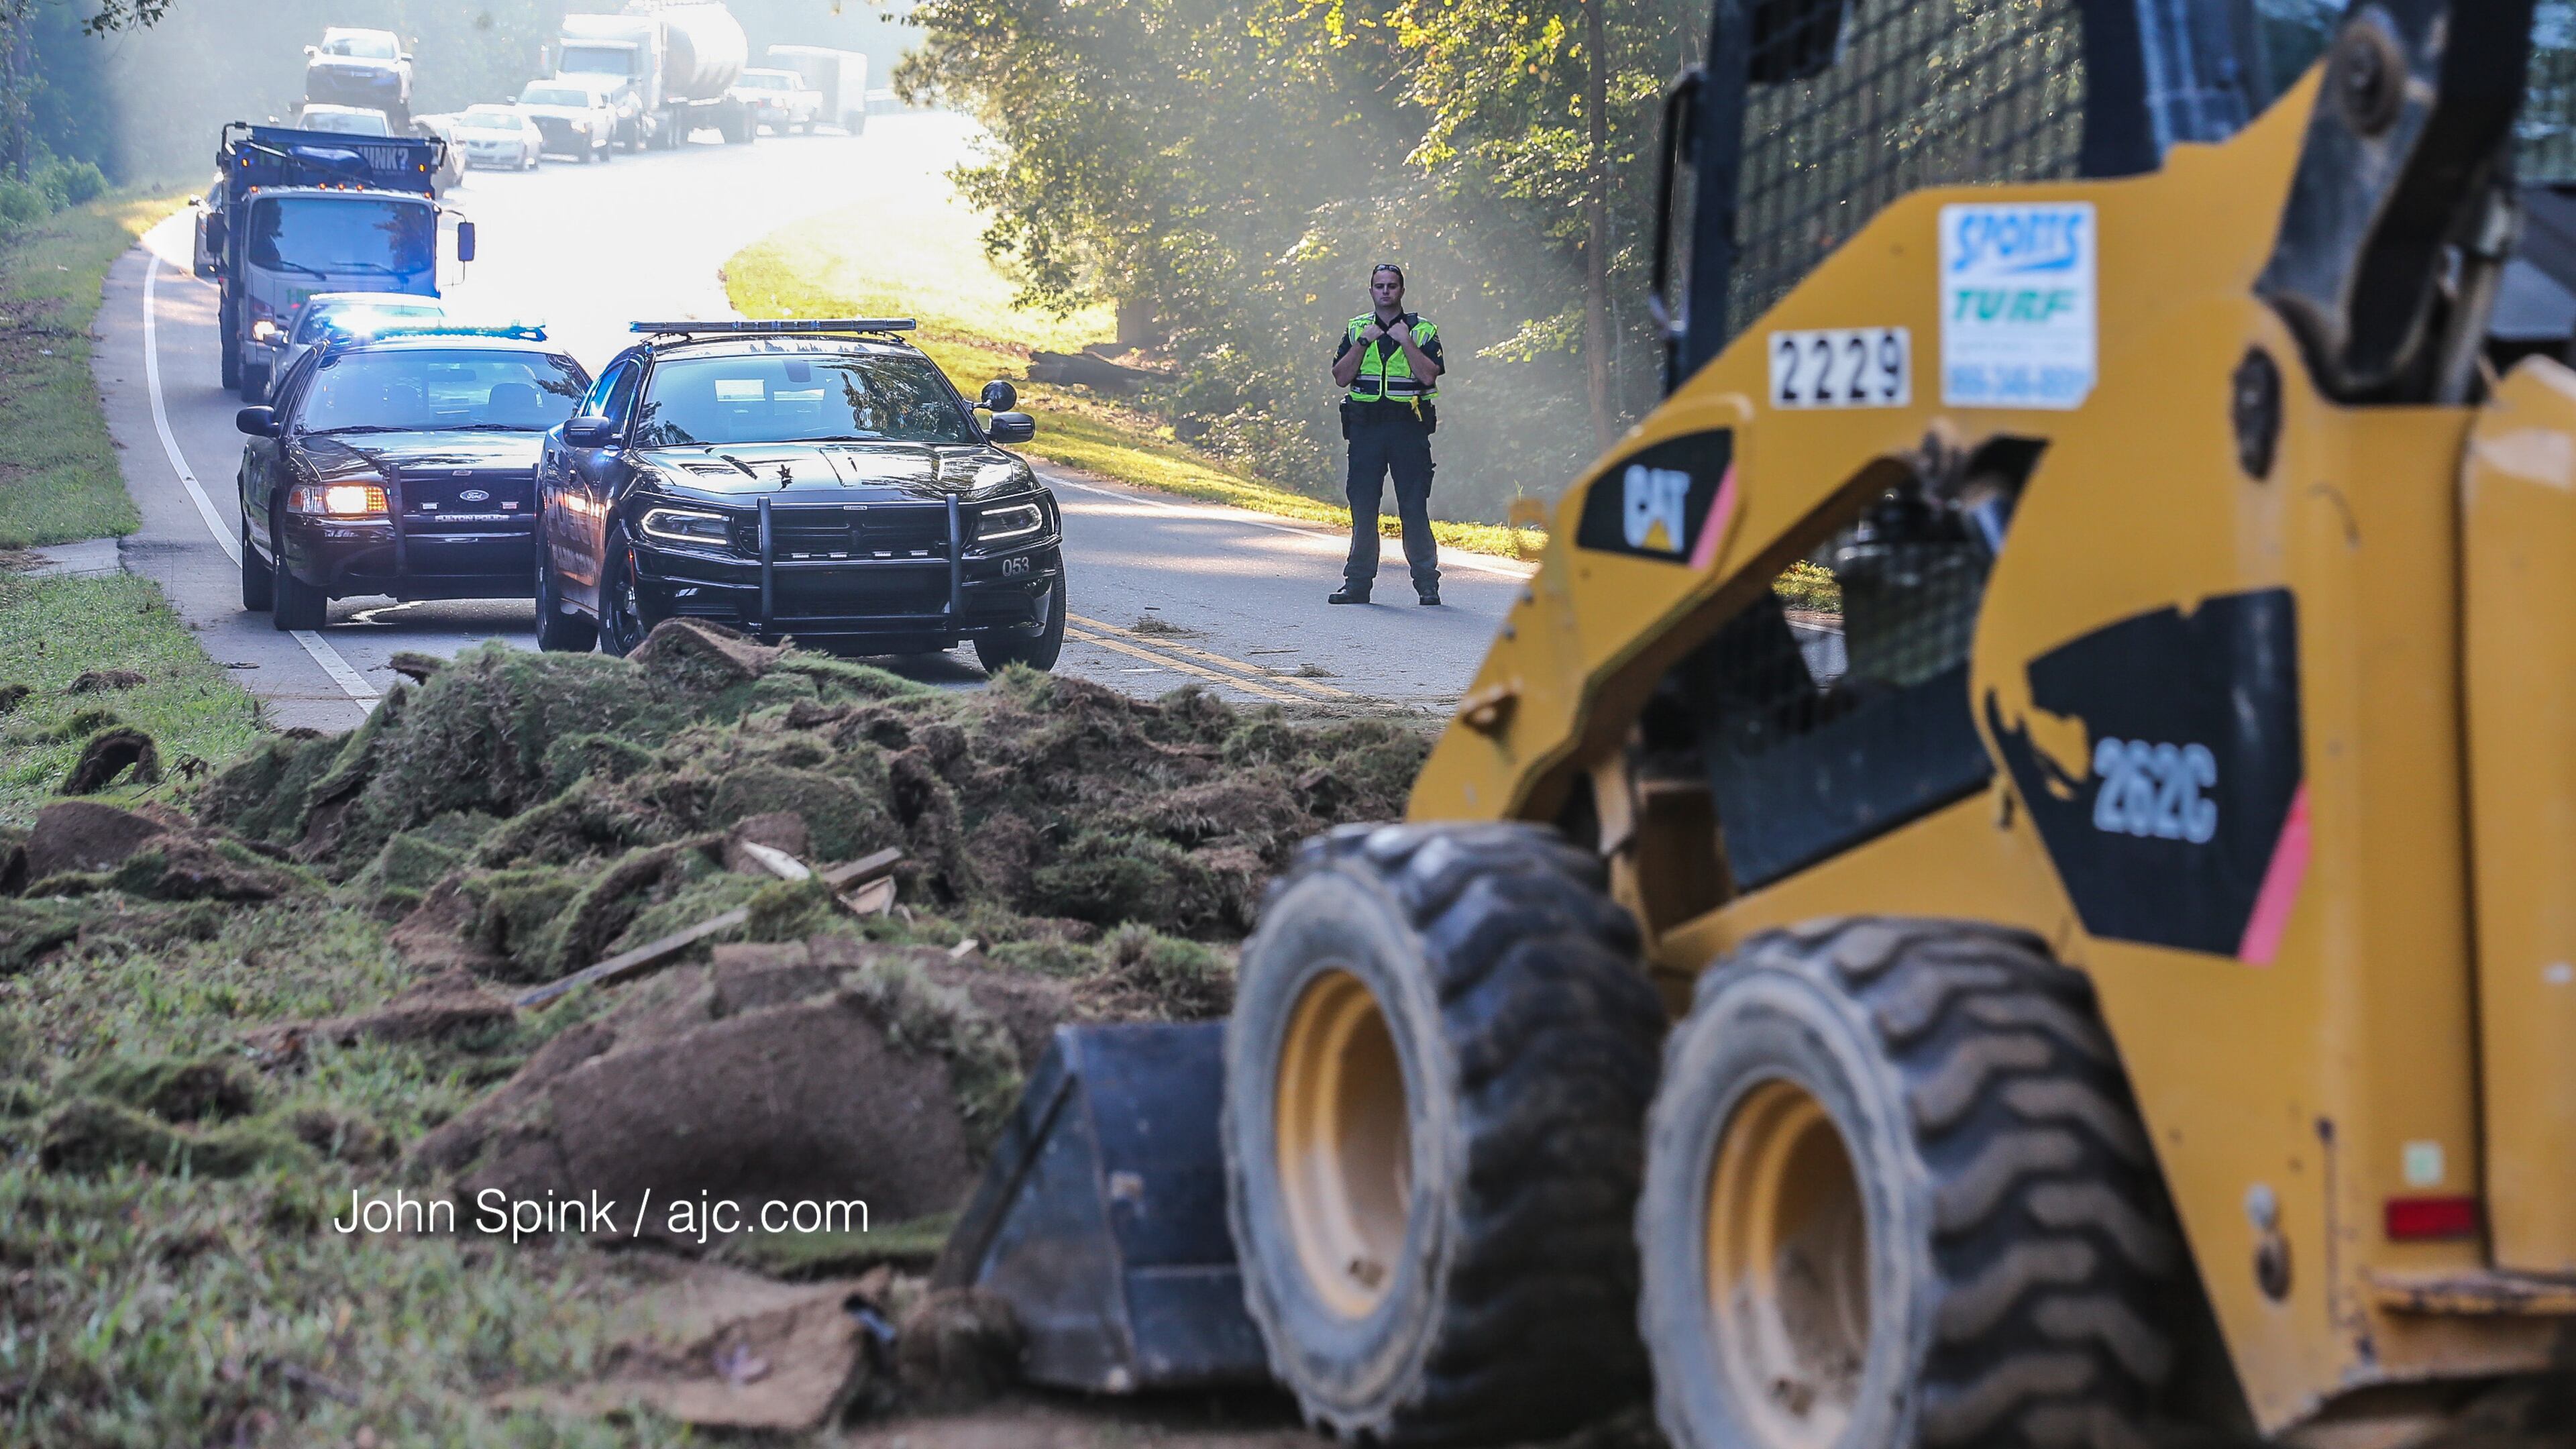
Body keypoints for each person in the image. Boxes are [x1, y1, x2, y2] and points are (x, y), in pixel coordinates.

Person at [1329, 263, 1446, 605]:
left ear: (1401, 291)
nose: (1385, 292)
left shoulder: (1422, 331)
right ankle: (1357, 585)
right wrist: (1364, 342)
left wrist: (1405, 341)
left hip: (1407, 429)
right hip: (1365, 431)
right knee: (1363, 508)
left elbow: (1429, 376)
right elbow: (1340, 376)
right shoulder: (1356, 329)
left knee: (1413, 507)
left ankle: (1427, 585)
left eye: (1391, 286)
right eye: (1379, 286)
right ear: (1371, 291)